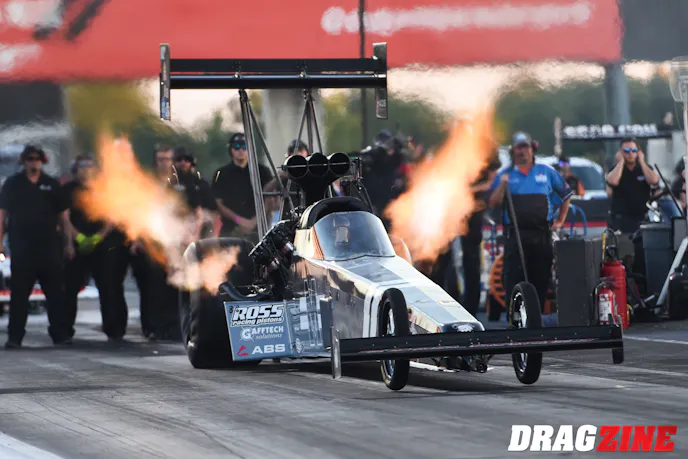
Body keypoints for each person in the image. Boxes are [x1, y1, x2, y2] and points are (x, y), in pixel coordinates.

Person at [488, 132, 573, 312]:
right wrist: (502, 185)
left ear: (532, 149)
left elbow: (566, 193)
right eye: (518, 148)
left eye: (525, 147)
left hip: (541, 234)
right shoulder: (504, 174)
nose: (522, 151)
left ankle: (537, 316)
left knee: (540, 277)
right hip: (515, 235)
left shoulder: (546, 171)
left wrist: (560, 219)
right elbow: (493, 202)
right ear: (513, 151)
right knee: (513, 277)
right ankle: (516, 317)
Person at [0, 145, 75, 348]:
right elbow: (2, 214)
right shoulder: (13, 184)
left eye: (37, 159)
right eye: (30, 159)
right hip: (22, 248)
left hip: (49, 248)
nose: (33, 162)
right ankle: (15, 337)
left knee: (55, 293)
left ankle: (60, 334)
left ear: (42, 161)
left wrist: (68, 244)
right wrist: (0, 244)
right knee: (19, 295)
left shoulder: (51, 185)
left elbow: (64, 217)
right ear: (23, 161)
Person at [62, 154, 128, 340]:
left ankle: (114, 330)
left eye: (89, 166)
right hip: (76, 245)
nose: (85, 170)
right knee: (70, 288)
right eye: (81, 167)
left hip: (103, 246)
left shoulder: (105, 189)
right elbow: (64, 217)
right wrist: (75, 238)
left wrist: (99, 236)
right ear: (75, 170)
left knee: (108, 287)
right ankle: (65, 330)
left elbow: (113, 215)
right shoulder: (68, 190)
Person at [212, 133, 273, 241]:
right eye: (236, 146)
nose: (241, 150)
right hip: (231, 229)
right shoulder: (222, 173)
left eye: (244, 146)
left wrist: (254, 221)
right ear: (231, 149)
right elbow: (218, 203)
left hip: (259, 229)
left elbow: (270, 199)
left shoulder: (262, 171)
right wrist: (239, 220)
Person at [606, 138, 660, 234]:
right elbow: (612, 181)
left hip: (641, 217)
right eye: (626, 151)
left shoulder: (645, 168)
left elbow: (654, 180)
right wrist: (620, 162)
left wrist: (642, 161)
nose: (630, 153)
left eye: (634, 150)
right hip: (621, 219)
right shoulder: (615, 170)